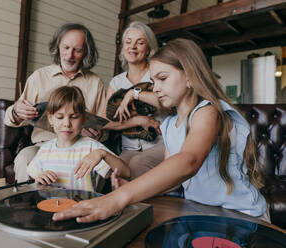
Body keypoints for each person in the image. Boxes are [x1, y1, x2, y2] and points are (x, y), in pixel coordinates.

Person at [53, 38, 268, 223]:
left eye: (163, 78)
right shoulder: (168, 125)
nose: (155, 88)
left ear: (189, 76)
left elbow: (189, 161)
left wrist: (118, 198)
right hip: (206, 213)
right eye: (153, 81)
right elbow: (173, 176)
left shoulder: (207, 111)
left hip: (242, 214)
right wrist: (135, 187)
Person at [4, 23, 107, 182]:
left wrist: (98, 133)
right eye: (66, 47)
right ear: (58, 46)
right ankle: (26, 204)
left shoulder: (95, 82)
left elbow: (103, 126)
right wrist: (17, 111)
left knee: (100, 164)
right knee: (24, 158)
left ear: (86, 52)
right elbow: (10, 119)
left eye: (77, 50)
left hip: (80, 147)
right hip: (42, 147)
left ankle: (86, 205)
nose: (69, 55)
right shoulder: (39, 77)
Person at [27, 86, 130, 192]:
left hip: (83, 206)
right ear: (50, 119)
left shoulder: (92, 148)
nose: (67, 124)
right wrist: (39, 178)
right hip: (50, 206)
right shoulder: (45, 150)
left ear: (84, 119)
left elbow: (126, 172)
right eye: (60, 117)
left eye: (74, 117)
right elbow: (34, 175)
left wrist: (102, 154)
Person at [103, 21, 166, 180]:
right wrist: (138, 120)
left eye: (140, 42)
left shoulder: (157, 72)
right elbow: (105, 121)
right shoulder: (116, 82)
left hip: (160, 144)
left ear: (149, 49)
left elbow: (166, 102)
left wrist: (134, 93)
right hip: (129, 148)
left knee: (137, 164)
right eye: (128, 42)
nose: (133, 47)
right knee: (114, 172)